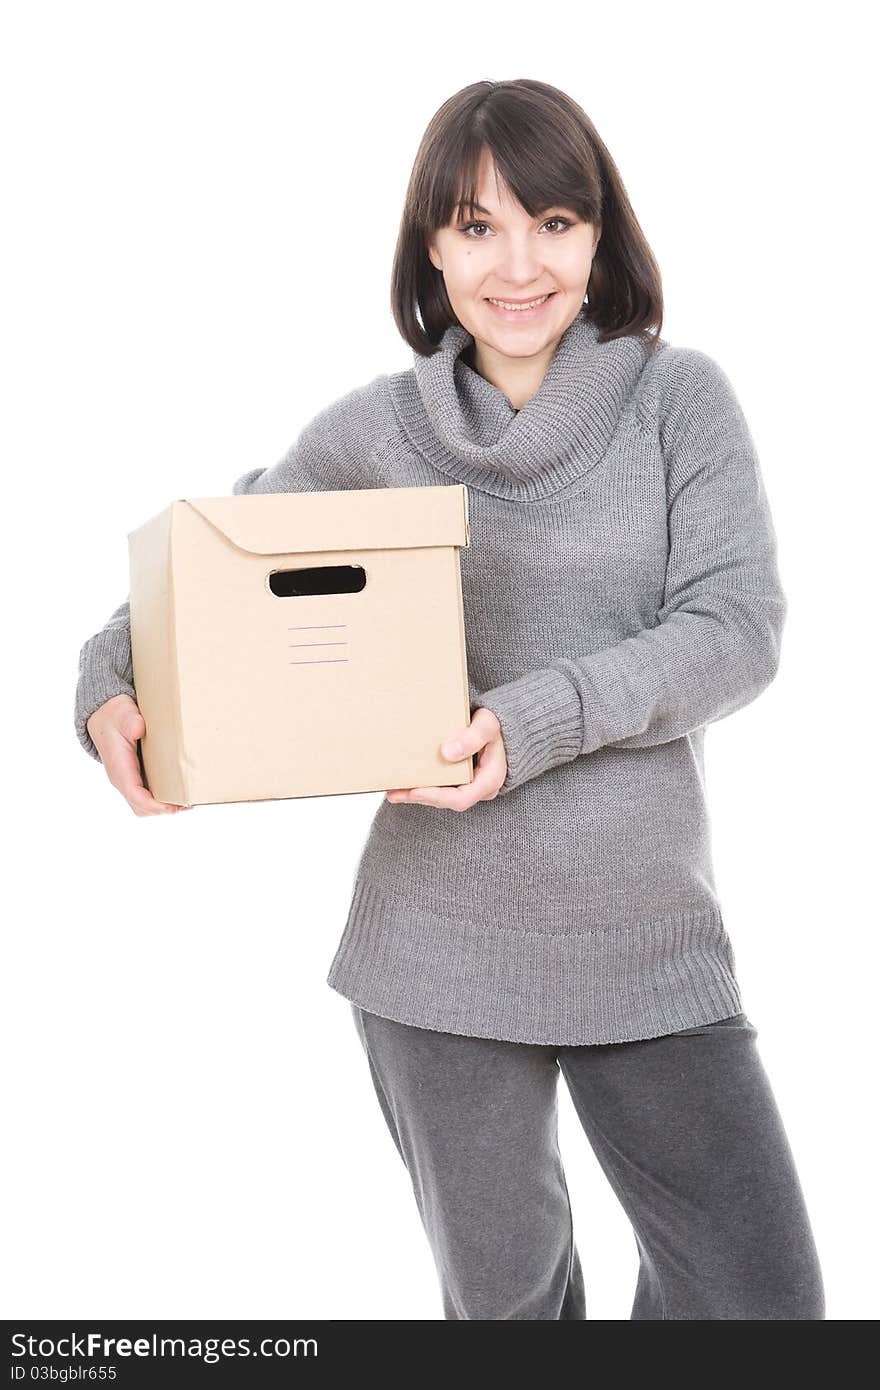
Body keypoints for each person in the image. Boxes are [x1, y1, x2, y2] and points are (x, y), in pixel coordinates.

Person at [74, 78, 825, 1320]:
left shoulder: (674, 401)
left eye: (554, 222)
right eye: (476, 227)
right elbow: (201, 571)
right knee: (509, 1320)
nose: (517, 263)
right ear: (430, 246)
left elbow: (734, 630)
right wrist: (105, 682)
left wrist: (530, 721)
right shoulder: (378, 431)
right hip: (436, 952)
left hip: (645, 936)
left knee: (759, 1303)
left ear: (601, 239)